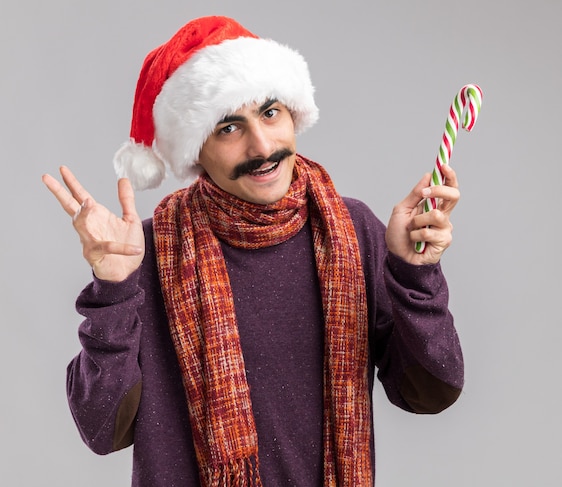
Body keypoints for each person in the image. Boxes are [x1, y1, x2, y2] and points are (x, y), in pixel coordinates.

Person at [42, 15, 464, 487]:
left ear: (293, 114)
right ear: (194, 149)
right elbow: (101, 428)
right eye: (228, 128)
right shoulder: (145, 252)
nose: (262, 146)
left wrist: (414, 276)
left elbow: (429, 391)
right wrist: (114, 289)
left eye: (269, 113)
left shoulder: (353, 230)